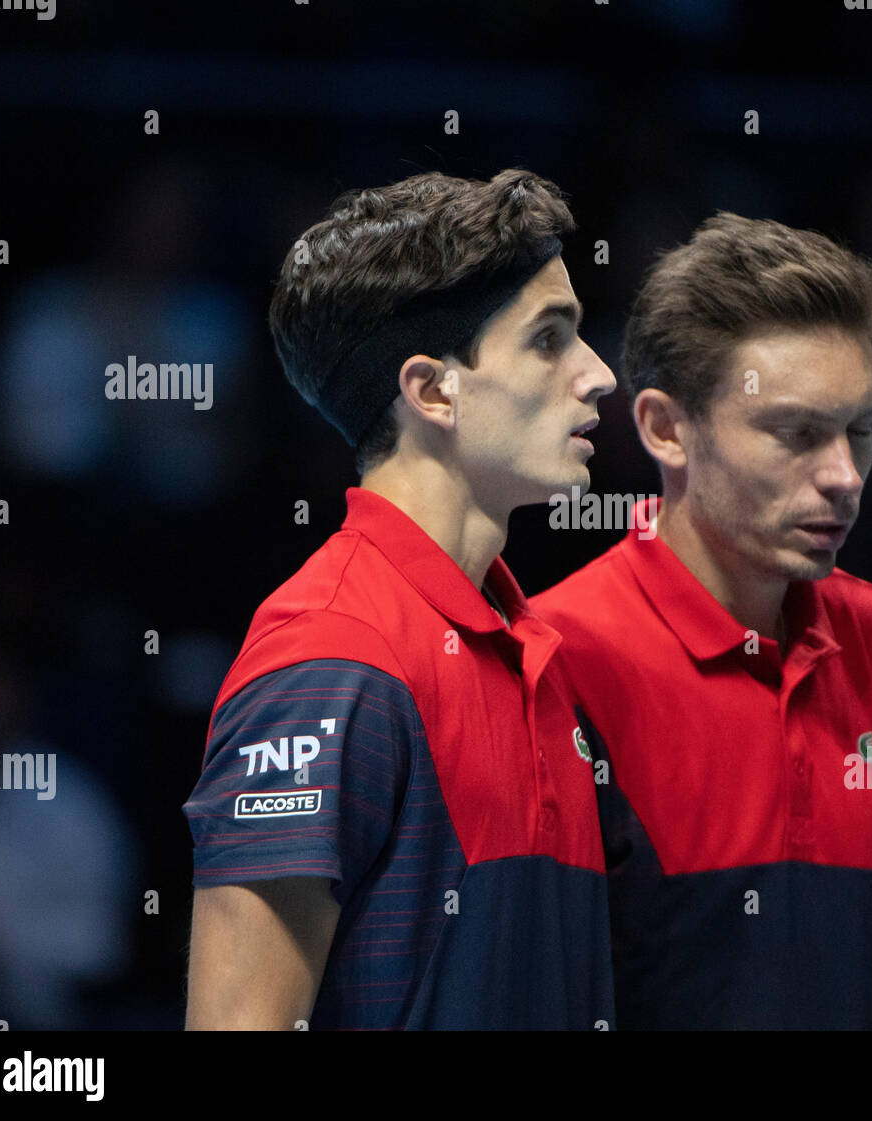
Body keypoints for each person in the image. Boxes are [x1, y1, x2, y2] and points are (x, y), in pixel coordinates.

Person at [532, 212, 872, 1029]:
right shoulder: (555, 658)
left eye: (861, 431)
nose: (844, 475)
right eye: (797, 433)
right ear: (666, 428)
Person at [182, 169, 617, 1029]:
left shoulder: (534, 649)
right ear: (430, 391)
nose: (599, 373)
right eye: (549, 339)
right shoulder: (327, 661)